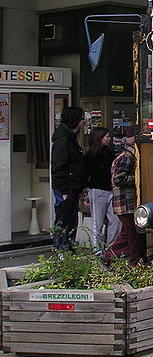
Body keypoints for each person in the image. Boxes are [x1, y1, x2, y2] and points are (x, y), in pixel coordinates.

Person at [108, 124, 146, 265]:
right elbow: (118, 179)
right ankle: (135, 263)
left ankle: (109, 256)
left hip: (124, 204)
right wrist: (137, 179)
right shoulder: (128, 157)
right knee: (134, 235)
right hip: (126, 203)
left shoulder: (127, 155)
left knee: (126, 235)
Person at [50, 106, 86, 251]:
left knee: (69, 219)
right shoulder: (64, 140)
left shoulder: (67, 138)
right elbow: (58, 167)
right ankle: (61, 247)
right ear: (76, 121)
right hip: (67, 188)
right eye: (82, 119)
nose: (84, 122)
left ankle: (66, 247)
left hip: (72, 186)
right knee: (64, 219)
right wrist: (64, 189)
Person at [84, 126, 121, 255]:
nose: (109, 139)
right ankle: (98, 250)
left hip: (110, 189)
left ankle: (111, 249)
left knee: (115, 220)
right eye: (106, 136)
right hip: (98, 190)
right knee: (97, 222)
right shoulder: (90, 156)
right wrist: (87, 188)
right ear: (99, 138)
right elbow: (86, 173)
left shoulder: (108, 152)